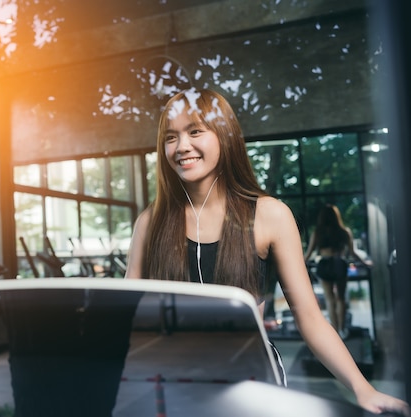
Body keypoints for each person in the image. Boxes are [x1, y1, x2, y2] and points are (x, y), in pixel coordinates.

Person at [125, 87, 410, 416]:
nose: (182, 146)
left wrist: (363, 389)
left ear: (225, 136)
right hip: (170, 384)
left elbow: (310, 318)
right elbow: (128, 315)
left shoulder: (269, 214)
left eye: (195, 132)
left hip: (251, 382)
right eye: (171, 137)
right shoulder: (150, 221)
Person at [304, 204, 372, 340]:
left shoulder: (318, 232)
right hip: (339, 263)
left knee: (330, 299)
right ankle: (342, 329)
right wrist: (366, 263)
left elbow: (308, 253)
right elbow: (353, 254)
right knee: (341, 299)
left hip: (324, 264)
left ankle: (334, 331)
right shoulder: (344, 232)